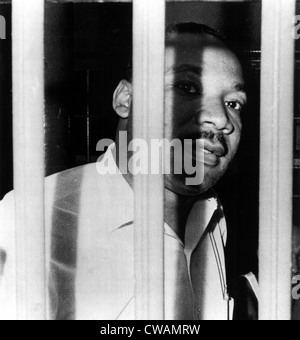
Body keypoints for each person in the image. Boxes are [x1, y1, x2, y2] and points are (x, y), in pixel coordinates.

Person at [0, 22, 252, 320]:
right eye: (187, 87)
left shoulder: (212, 214)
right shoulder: (31, 221)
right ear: (125, 100)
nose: (221, 119)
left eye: (233, 103)